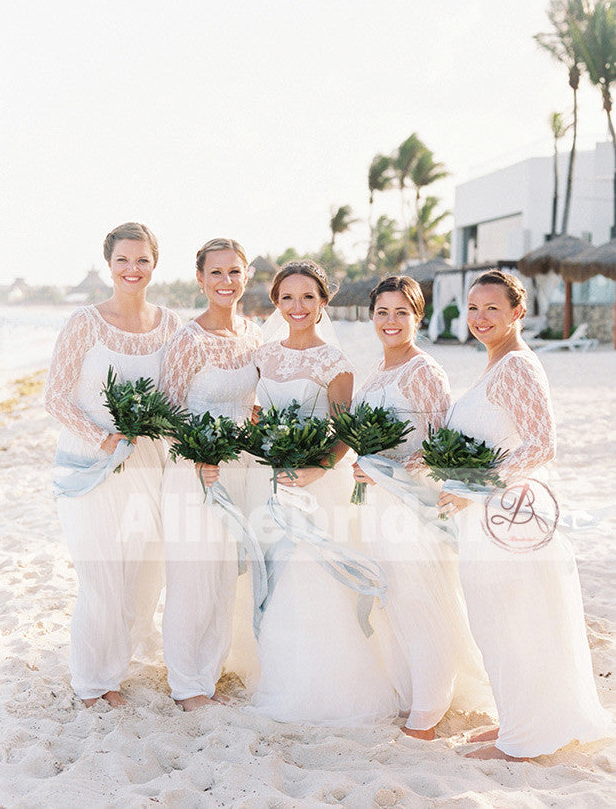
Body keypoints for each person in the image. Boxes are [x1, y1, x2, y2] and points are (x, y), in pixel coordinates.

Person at [438, 270, 612, 760]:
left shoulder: (517, 366)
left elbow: (542, 445)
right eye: (473, 307)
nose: (479, 318)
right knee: (498, 621)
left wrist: (475, 486)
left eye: (492, 308)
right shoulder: (496, 365)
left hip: (510, 516)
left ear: (518, 313)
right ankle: (517, 718)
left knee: (516, 619)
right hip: (486, 518)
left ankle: (527, 739)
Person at [249, 261, 397, 724]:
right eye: (288, 297)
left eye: (308, 297)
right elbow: (255, 412)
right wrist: (265, 445)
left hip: (318, 483)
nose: (298, 306)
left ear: (322, 304)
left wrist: (315, 468)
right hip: (274, 478)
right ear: (276, 302)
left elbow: (346, 431)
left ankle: (332, 687)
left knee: (313, 574)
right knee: (278, 576)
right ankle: (283, 678)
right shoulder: (264, 354)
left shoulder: (335, 363)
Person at [45, 222, 181, 706]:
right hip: (90, 464)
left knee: (141, 573)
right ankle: (91, 681)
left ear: (154, 264)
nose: (132, 269)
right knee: (99, 574)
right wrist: (102, 438)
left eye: (142, 260)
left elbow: (178, 393)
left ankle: (113, 668)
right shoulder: (84, 323)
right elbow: (56, 397)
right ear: (109, 265)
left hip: (148, 463)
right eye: (123, 260)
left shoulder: (170, 325)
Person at [352, 275, 493, 739]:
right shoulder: (377, 370)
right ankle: (411, 695)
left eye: (401, 313)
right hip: (377, 505)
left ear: (417, 316)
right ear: (371, 317)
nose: (391, 322)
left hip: (410, 506)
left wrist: (383, 469)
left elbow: (437, 449)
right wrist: (365, 465)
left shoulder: (424, 371)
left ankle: (429, 713)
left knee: (420, 601)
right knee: (392, 602)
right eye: (382, 312)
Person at [160, 238, 261, 711]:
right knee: (192, 575)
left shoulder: (255, 334)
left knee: (225, 576)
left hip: (241, 469)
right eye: (215, 273)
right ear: (200, 279)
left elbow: (256, 405)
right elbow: (167, 412)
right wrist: (196, 454)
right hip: (195, 471)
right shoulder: (187, 339)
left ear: (247, 277)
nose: (226, 281)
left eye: (234, 272)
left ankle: (209, 675)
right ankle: (185, 684)